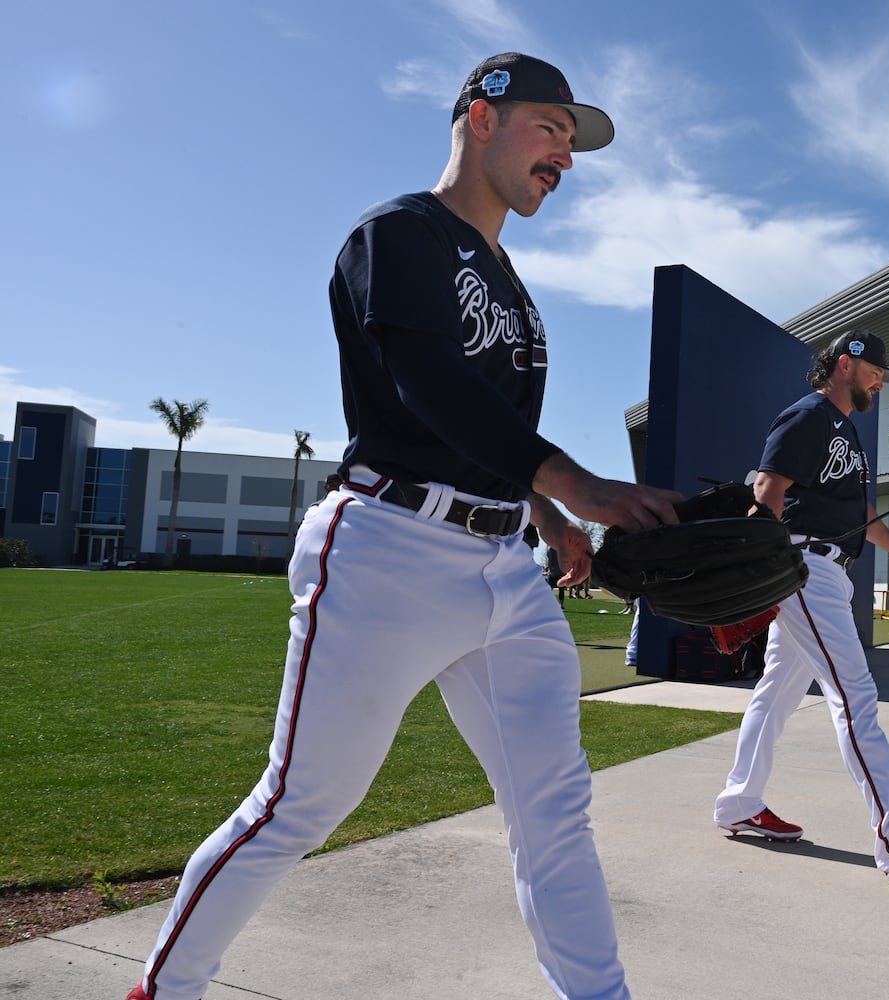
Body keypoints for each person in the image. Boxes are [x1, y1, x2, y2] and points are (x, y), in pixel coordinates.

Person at [127, 52, 680, 1000]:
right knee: (299, 805)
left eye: (570, 140)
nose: (566, 156)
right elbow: (426, 385)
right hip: (388, 549)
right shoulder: (398, 234)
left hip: (504, 566)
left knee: (554, 810)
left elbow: (485, 428)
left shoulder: (508, 279)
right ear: (480, 119)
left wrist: (545, 515)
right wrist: (575, 483)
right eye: (550, 128)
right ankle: (165, 988)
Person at [712, 330, 889, 874]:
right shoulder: (808, 416)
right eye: (877, 370)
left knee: (776, 693)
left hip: (828, 568)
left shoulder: (848, 433)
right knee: (855, 695)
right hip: (804, 567)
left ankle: (739, 803)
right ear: (845, 364)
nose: (882, 381)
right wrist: (760, 567)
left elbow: (862, 515)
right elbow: (766, 488)